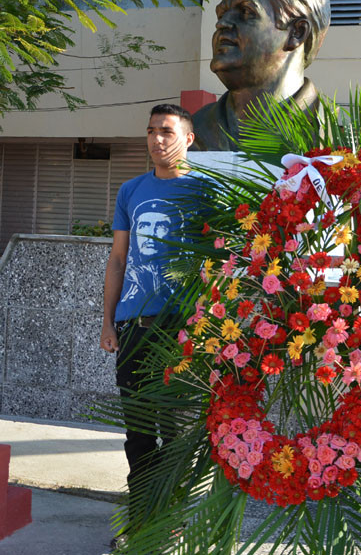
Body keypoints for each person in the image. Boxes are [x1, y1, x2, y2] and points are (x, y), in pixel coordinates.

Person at [99, 102, 207, 542]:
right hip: (135, 328)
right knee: (139, 431)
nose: (157, 139)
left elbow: (222, 262)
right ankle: (142, 518)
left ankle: (172, 518)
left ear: (188, 138)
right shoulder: (131, 190)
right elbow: (118, 259)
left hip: (184, 329)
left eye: (166, 130)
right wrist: (108, 322)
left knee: (176, 430)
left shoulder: (206, 191)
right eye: (151, 131)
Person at [192, 0, 331, 151]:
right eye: (222, 14)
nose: (221, 23)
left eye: (246, 12)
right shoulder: (192, 131)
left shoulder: (337, 135)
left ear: (297, 32)